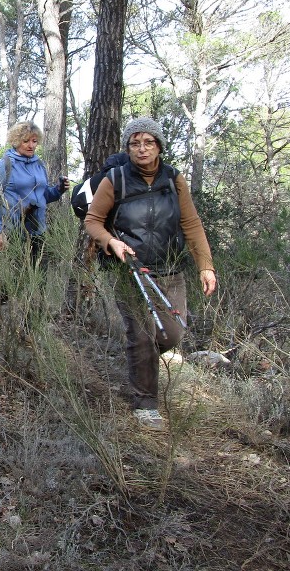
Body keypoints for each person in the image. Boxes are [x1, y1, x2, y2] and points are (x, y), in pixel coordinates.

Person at [83, 116, 217, 431]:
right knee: (141, 335)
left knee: (172, 333)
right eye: (135, 143)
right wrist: (110, 242)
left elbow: (192, 224)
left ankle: (139, 367)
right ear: (127, 147)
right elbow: (93, 221)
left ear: (159, 146)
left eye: (148, 142)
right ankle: (145, 403)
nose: (142, 149)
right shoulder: (114, 180)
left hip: (170, 270)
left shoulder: (174, 180)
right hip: (129, 271)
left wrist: (206, 266)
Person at [0, 121, 70, 264]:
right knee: (14, 281)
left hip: (38, 231)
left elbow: (43, 196)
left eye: (34, 141)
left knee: (39, 278)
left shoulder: (39, 165)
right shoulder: (4, 165)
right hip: (13, 233)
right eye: (26, 141)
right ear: (16, 141)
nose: (31, 145)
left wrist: (58, 190)